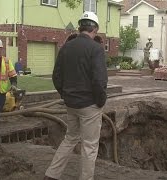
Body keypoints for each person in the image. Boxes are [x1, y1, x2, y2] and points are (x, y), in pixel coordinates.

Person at [44, 11, 108, 180]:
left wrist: (65, 95)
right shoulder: (96, 49)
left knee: (70, 138)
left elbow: (56, 76)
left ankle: (52, 174)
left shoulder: (66, 47)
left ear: (80, 28)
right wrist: (100, 102)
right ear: (94, 30)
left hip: (71, 104)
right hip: (89, 106)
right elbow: (99, 80)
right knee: (89, 146)